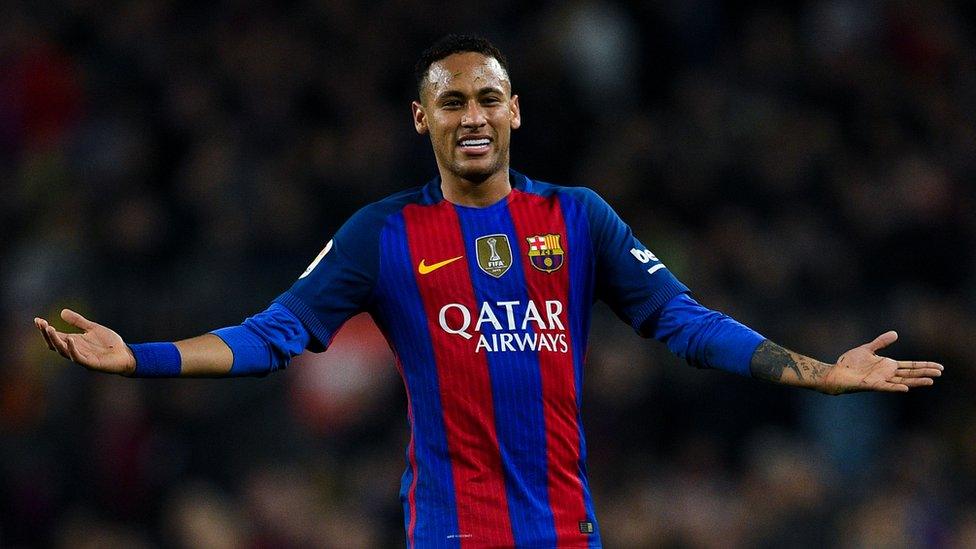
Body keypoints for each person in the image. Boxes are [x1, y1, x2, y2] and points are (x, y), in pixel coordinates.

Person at [34, 34, 943, 548]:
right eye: (453, 100)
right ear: (422, 117)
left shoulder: (580, 218)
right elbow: (270, 334)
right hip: (451, 535)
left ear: (515, 111)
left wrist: (816, 372)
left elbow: (683, 320)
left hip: (566, 530)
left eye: (489, 98)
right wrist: (139, 358)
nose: (473, 115)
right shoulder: (382, 234)